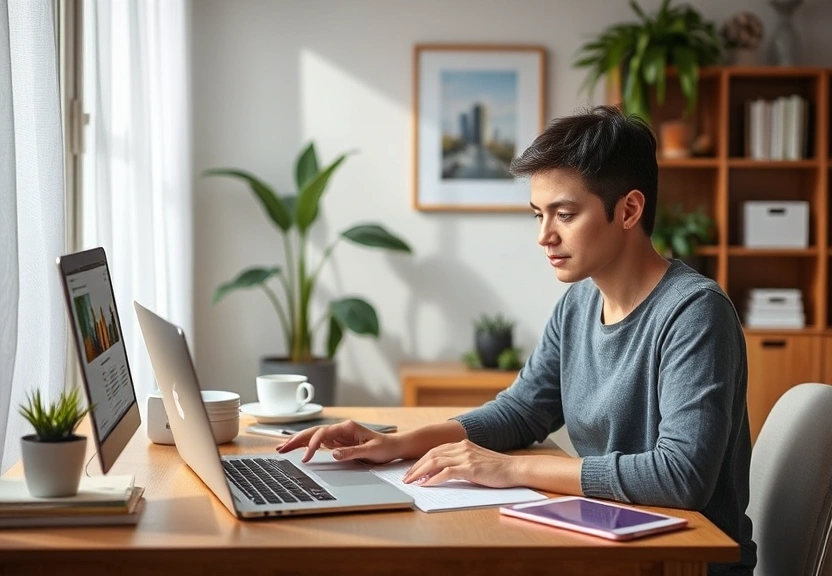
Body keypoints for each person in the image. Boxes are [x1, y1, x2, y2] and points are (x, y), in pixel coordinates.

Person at [278, 105, 756, 575]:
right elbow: (522, 411)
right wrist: (400, 443)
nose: (544, 236)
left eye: (564, 214)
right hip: (612, 542)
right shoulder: (579, 304)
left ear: (629, 209)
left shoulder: (694, 313)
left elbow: (680, 476)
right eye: (537, 215)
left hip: (685, 559)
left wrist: (509, 469)